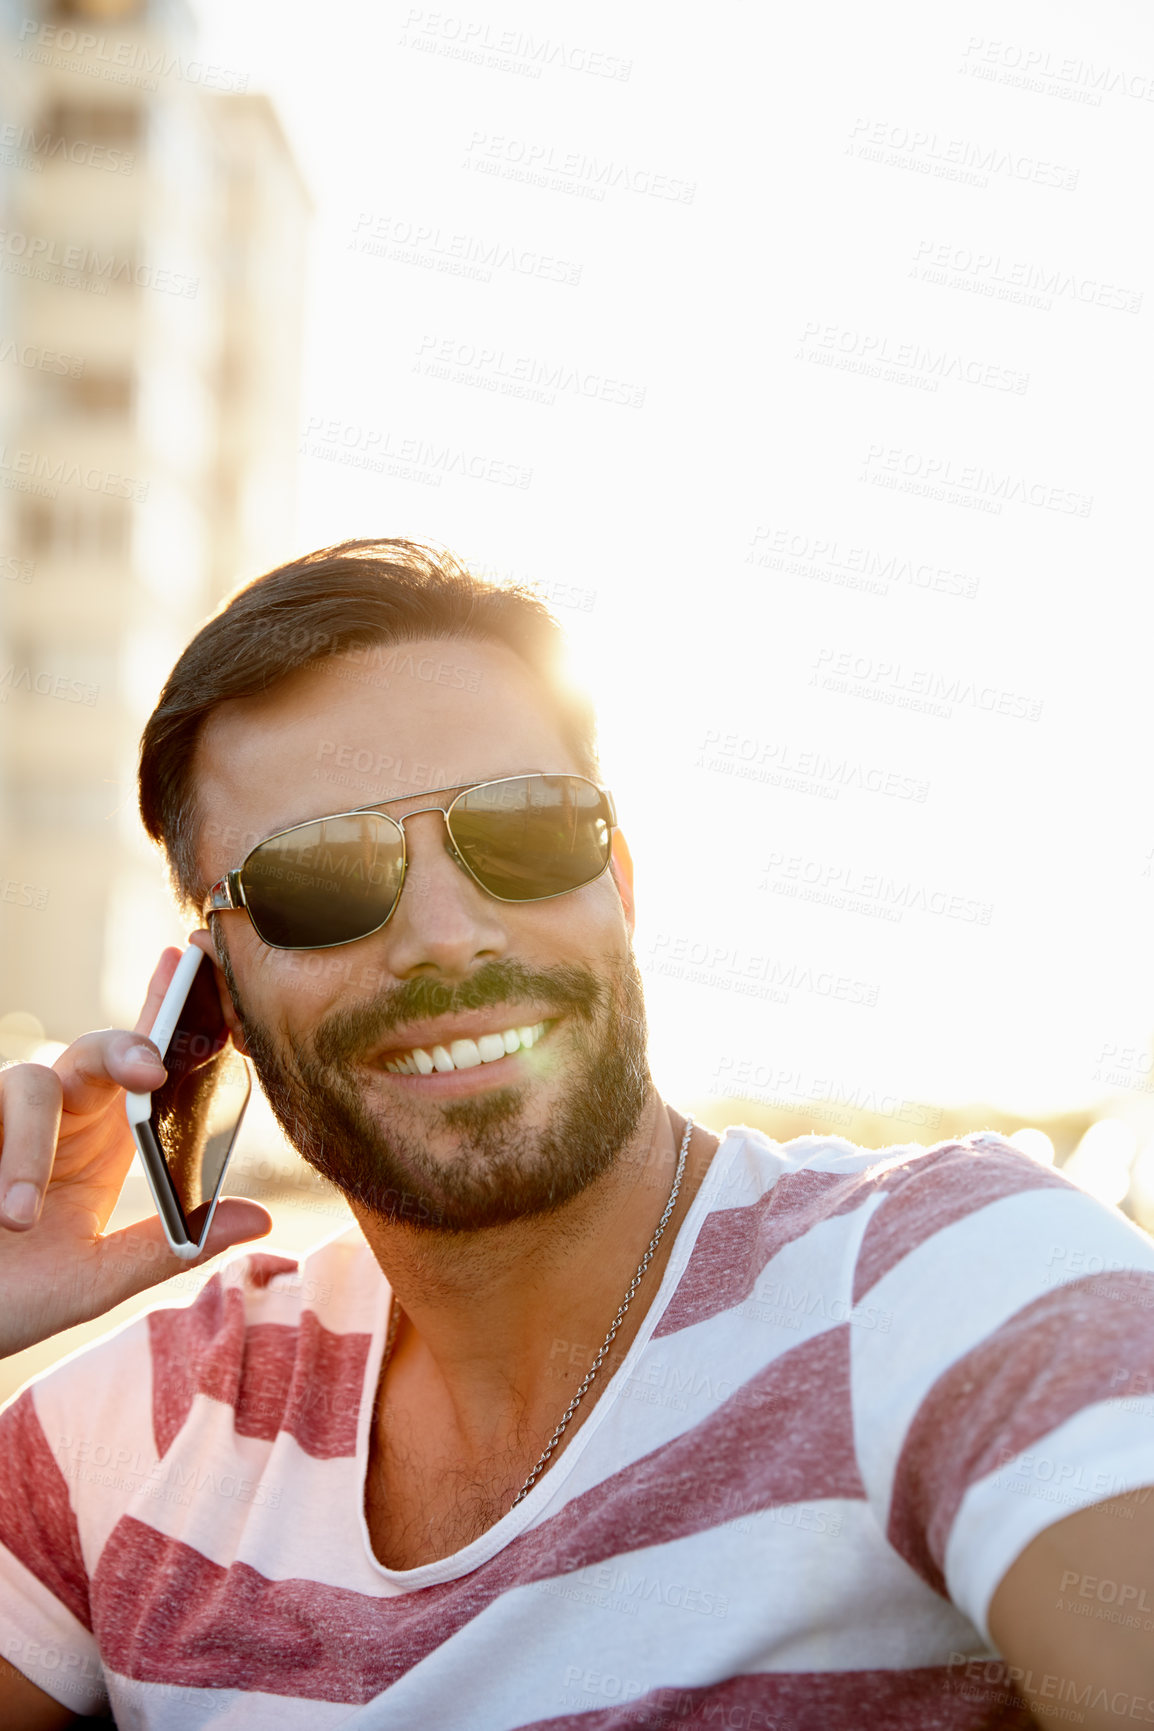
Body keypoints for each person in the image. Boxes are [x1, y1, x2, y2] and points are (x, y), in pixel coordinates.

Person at [0, 539, 1152, 1731]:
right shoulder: (140, 1434)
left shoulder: (949, 1280)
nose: (449, 937)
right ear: (215, 1001)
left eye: (526, 831)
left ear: (622, 888)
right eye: (321, 878)